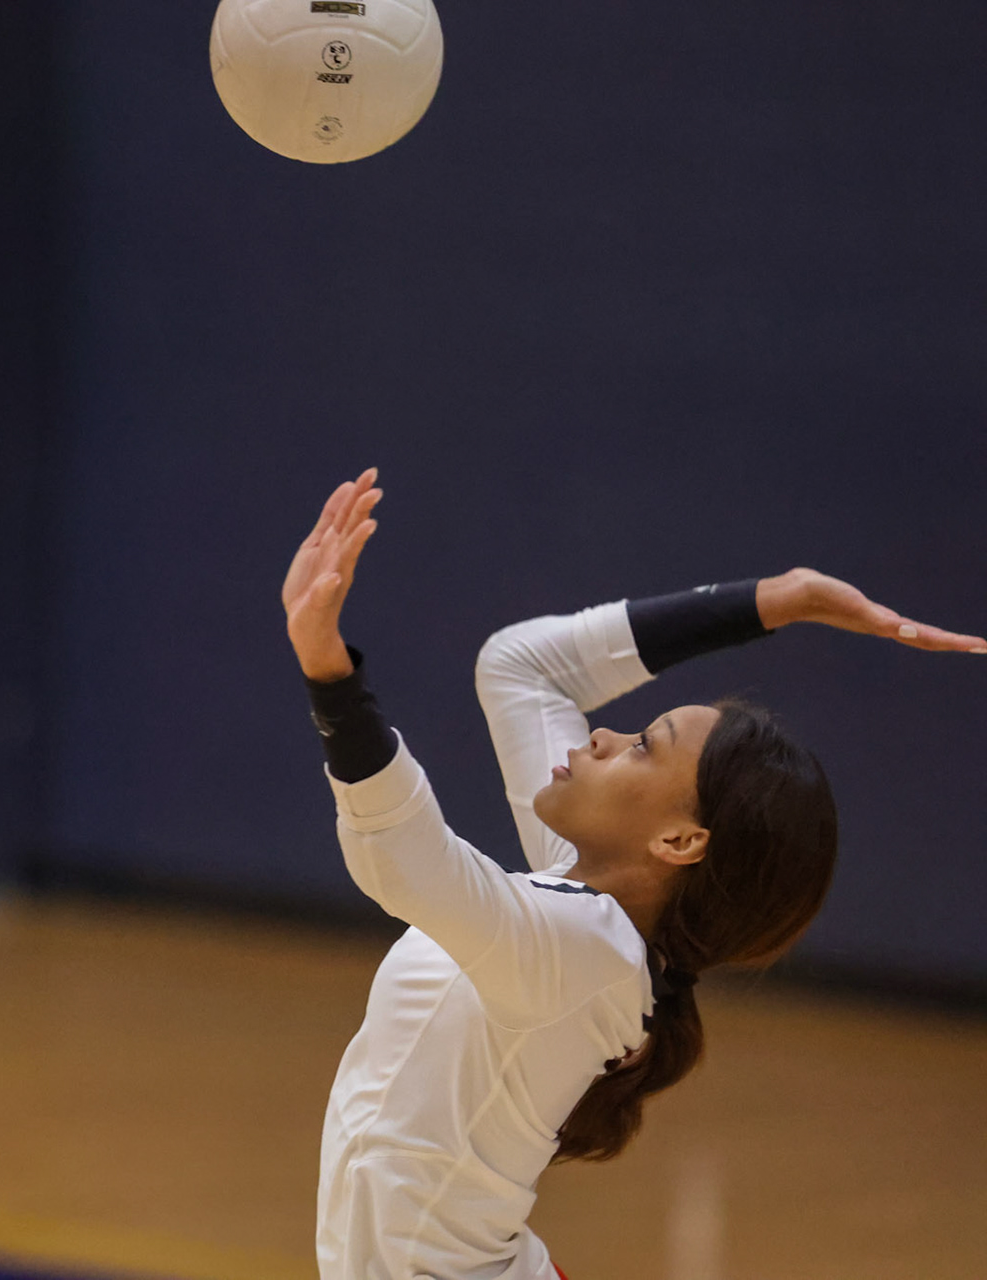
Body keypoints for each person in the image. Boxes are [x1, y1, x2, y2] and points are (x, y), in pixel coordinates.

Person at [283, 468, 987, 1280]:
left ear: (682, 841)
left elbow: (405, 862)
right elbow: (521, 667)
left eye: (645, 746)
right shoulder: (588, 924)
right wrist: (776, 599)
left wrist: (331, 677)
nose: (607, 736)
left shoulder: (584, 952)